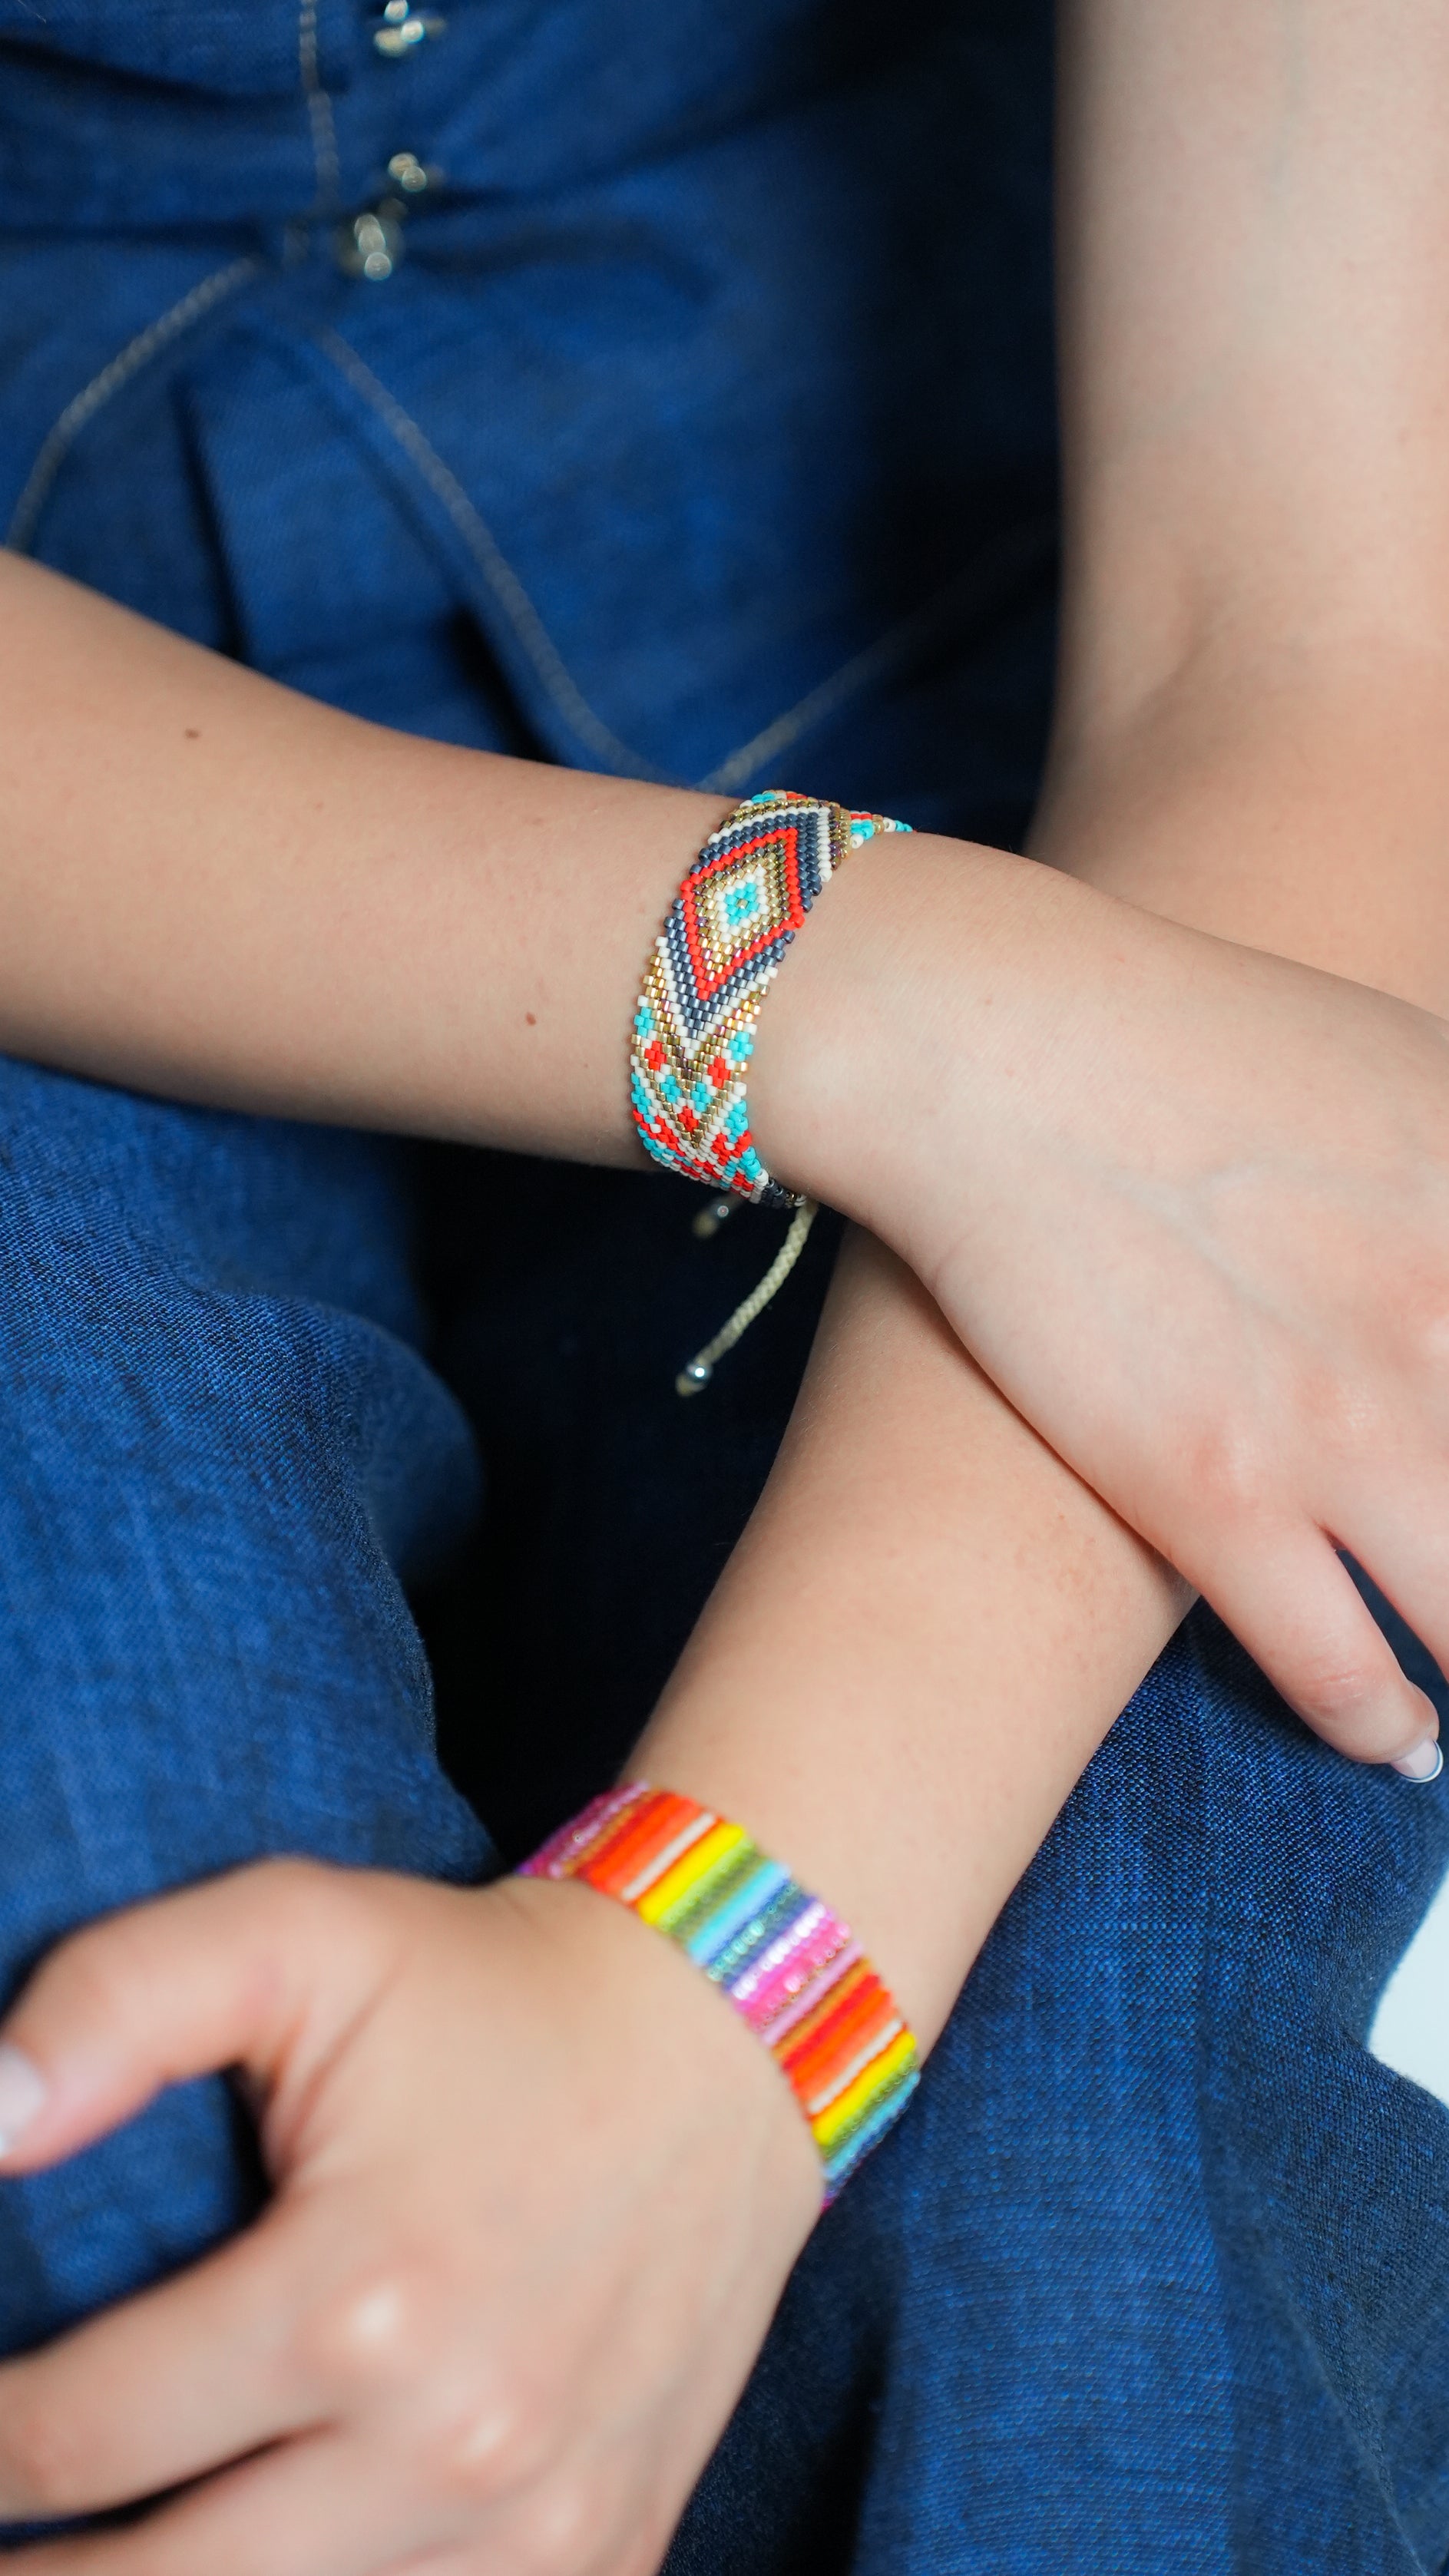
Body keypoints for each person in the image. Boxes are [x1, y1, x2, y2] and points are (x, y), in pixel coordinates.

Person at [2, 3, 1449, 2569]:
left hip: (1058, 722)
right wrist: (874, 1007)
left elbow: (1307, 607)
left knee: (1106, 2219)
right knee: (142, 2105)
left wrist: (724, 1994)